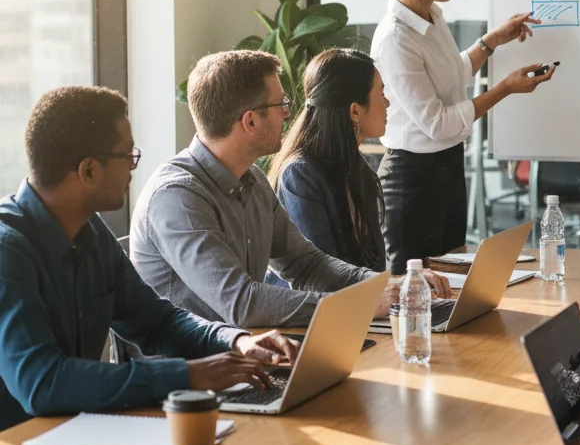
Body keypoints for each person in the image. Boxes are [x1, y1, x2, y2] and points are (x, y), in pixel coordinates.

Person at [0, 86, 298, 433]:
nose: (132, 168)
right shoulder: (9, 253)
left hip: (71, 432)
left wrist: (237, 341)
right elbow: (43, 383)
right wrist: (188, 374)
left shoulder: (91, 232)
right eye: (127, 157)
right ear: (89, 171)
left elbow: (156, 322)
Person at [131, 51, 437, 329]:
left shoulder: (252, 179)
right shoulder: (177, 197)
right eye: (281, 105)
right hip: (197, 376)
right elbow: (242, 304)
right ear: (250, 121)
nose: (289, 114)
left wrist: (386, 286)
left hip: (251, 354)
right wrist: (358, 304)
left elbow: (306, 264)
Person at [367, 0, 555, 273]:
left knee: (451, 283)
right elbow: (438, 123)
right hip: (413, 181)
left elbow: (454, 74)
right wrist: (504, 90)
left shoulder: (431, 15)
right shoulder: (396, 38)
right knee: (417, 295)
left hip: (446, 167)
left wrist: (492, 41)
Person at [265, 49, 452, 298]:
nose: (387, 103)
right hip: (311, 320)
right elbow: (322, 278)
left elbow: (368, 269)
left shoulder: (358, 169)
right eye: (381, 94)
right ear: (355, 111)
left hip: (359, 308)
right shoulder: (299, 175)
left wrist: (405, 282)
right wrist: (395, 285)